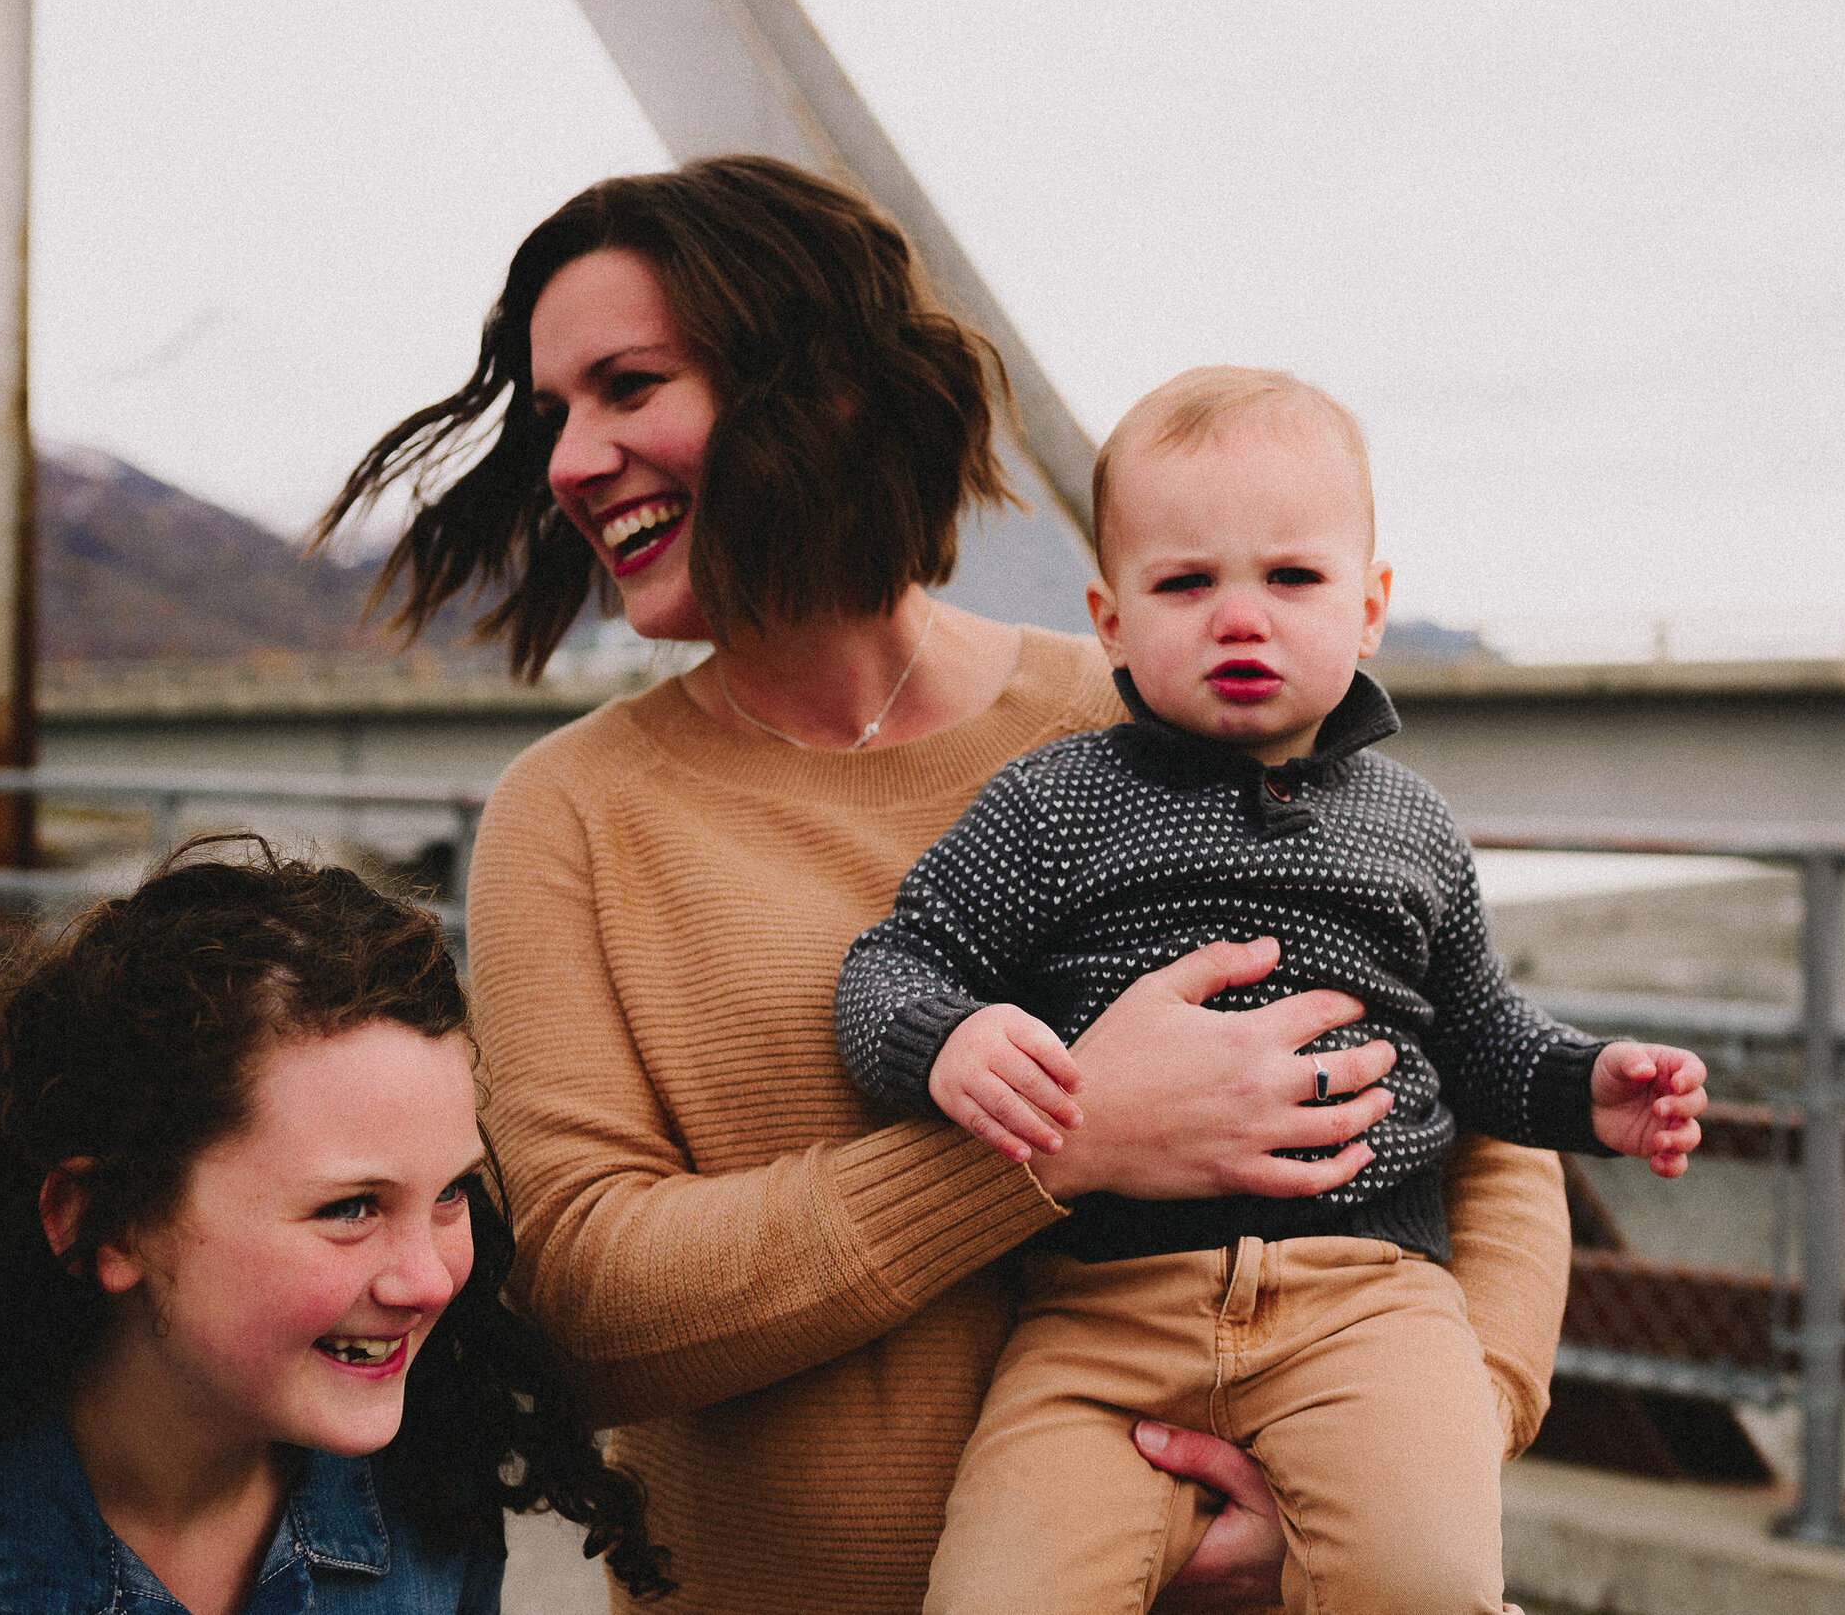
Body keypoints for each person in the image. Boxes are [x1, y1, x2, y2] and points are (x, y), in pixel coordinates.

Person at [314, 154, 1584, 1614]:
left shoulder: (1152, 714)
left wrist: (1427, 1446)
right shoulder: (572, 815)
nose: (569, 461)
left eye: (627, 387)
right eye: (553, 417)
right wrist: (1060, 1141)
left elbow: (1480, 1128)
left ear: (825, 389)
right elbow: (586, 1304)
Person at [835, 366, 1709, 1613]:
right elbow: (888, 966)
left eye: (1291, 579)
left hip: (1367, 1308)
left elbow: (1478, 1038)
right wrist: (948, 1036)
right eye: (1185, 583)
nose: (1238, 618)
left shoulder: (1412, 827)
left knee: (1423, 1579)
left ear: (1368, 608)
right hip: (1097, 1325)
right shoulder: (1048, 807)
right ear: (1112, 620)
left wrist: (1587, 1086)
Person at [0, 837, 667, 1615]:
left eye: (451, 1193)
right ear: (105, 1223)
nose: (430, 1278)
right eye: (350, 1208)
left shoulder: (433, 1517)